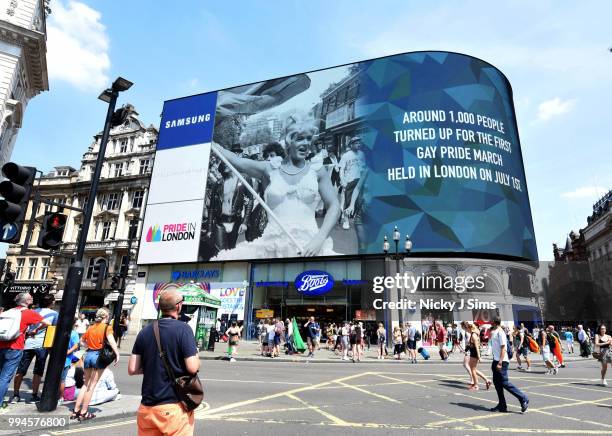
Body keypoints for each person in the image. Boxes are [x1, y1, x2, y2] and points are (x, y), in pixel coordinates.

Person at [211, 114, 341, 260]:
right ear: (288, 140)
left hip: (309, 247)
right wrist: (209, 141)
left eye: (308, 138)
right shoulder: (269, 169)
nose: (306, 143)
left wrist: (320, 238)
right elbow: (236, 161)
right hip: (271, 247)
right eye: (299, 138)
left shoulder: (317, 170)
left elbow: (334, 205)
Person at [128, 289, 199, 436]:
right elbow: (192, 367)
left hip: (147, 408)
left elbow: (133, 369)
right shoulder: (184, 329)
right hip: (173, 407)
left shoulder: (145, 331)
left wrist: (151, 364)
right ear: (178, 306)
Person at [0, 293, 51, 408]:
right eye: (30, 297)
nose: (32, 298)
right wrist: (35, 330)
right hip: (14, 347)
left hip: (1, 344)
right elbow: (48, 323)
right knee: (5, 377)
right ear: (27, 301)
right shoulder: (29, 313)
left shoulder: (7, 311)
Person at [72, 308, 119, 421]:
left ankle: (75, 411)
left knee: (85, 384)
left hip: (88, 355)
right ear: (106, 317)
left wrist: (89, 345)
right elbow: (111, 340)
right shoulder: (107, 327)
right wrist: (117, 353)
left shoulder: (91, 327)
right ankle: (84, 412)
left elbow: (82, 342)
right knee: (91, 386)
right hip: (98, 356)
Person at [11, 293, 58, 403]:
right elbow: (53, 329)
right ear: (51, 302)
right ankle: (34, 395)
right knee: (38, 371)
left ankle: (16, 394)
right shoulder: (54, 314)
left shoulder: (32, 311)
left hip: (27, 343)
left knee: (21, 370)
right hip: (42, 344)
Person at [489, 317, 529, 414]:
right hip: (496, 360)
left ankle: (523, 398)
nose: (490, 322)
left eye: (491, 321)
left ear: (494, 322)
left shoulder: (500, 332)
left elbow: (503, 348)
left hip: (502, 361)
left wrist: (500, 362)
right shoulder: (495, 332)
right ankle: (502, 405)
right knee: (497, 383)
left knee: (504, 383)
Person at [338, 136, 366, 230]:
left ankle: (356, 218)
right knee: (347, 201)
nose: (358, 145)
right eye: (356, 143)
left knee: (359, 201)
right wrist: (342, 180)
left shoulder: (362, 154)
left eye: (359, 143)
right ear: (351, 145)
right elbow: (341, 169)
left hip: (359, 180)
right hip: (349, 181)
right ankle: (346, 221)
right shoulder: (346, 155)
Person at [60, 319, 81, 404]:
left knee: (57, 378)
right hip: (66, 359)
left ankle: (57, 395)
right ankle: (60, 397)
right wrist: (69, 351)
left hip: (57, 358)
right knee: (62, 380)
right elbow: (76, 345)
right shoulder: (74, 333)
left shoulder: (59, 331)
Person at [466, 323, 492, 391]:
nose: (467, 330)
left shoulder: (474, 335)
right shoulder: (474, 334)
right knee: (473, 369)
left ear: (470, 328)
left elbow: (477, 347)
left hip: (474, 353)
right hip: (473, 353)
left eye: (467, 329)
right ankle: (487, 380)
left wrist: (479, 356)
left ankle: (476, 385)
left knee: (473, 370)